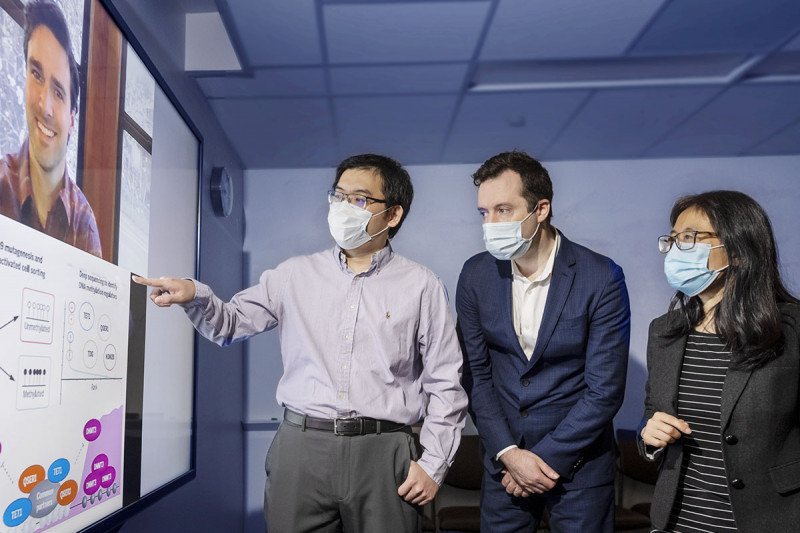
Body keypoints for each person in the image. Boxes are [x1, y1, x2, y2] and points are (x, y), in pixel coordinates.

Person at [133, 154, 467, 532]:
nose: (343, 208)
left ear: (392, 215)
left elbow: (445, 383)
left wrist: (434, 465)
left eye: (358, 200)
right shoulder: (293, 275)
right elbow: (229, 324)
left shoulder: (422, 286)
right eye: (337, 196)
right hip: (301, 447)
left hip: (384, 450)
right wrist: (194, 294)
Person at [456, 150, 630, 532]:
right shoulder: (475, 275)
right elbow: (476, 376)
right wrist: (509, 454)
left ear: (541, 209)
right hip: (503, 462)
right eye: (484, 213)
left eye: (503, 209)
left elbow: (605, 390)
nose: (491, 224)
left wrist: (541, 460)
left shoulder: (601, 276)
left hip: (579, 466)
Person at [639, 190, 800, 532]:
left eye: (689, 238)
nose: (674, 249)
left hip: (770, 519)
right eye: (672, 239)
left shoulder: (791, 330)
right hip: (680, 520)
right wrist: (650, 437)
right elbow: (653, 413)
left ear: (740, 251)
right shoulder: (664, 331)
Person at [0, 0, 101, 257]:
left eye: (58, 92)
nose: (45, 106)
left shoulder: (83, 221)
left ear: (72, 120)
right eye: (36, 75)